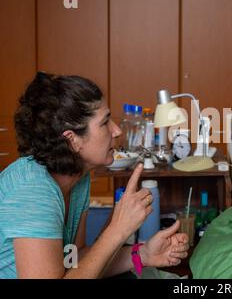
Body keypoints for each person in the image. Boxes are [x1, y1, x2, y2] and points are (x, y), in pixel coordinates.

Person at [0, 72, 189, 278]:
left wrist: (142, 254)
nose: (116, 131)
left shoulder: (77, 178)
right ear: (73, 140)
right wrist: (118, 229)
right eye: (105, 122)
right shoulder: (32, 191)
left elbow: (74, 260)